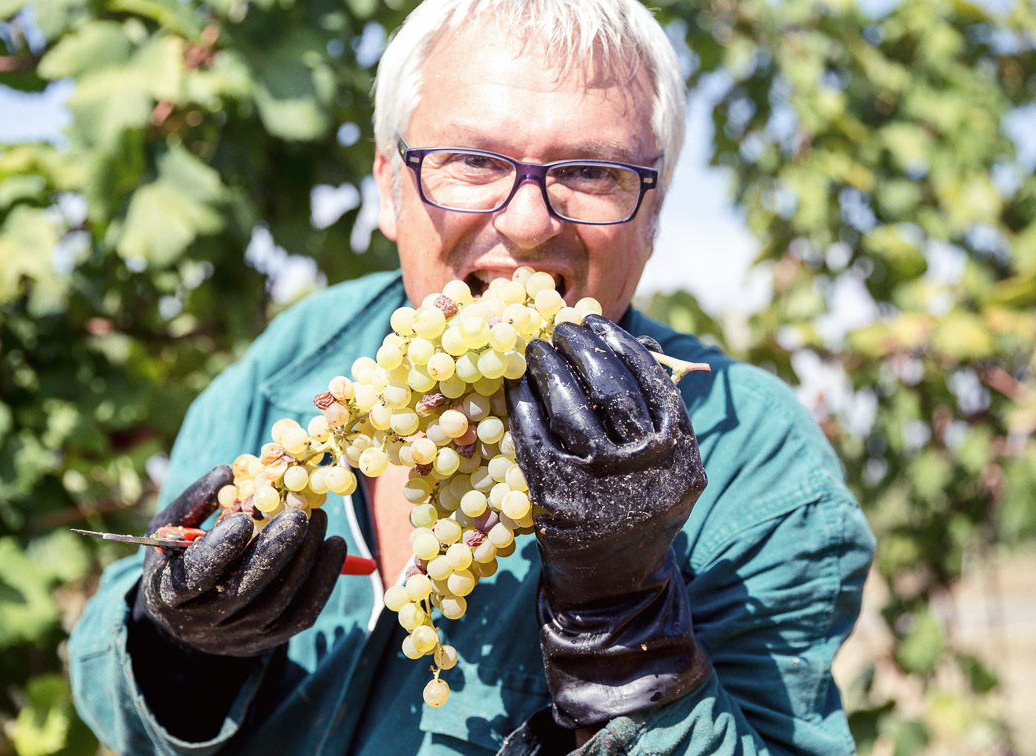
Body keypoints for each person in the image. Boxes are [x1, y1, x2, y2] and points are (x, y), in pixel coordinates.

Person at [69, 0, 875, 754]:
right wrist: (178, 652)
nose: (528, 224)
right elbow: (112, 706)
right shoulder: (298, 361)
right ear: (389, 186)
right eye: (471, 162)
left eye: (591, 171)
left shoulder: (762, 465)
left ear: (654, 213)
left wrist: (628, 638)